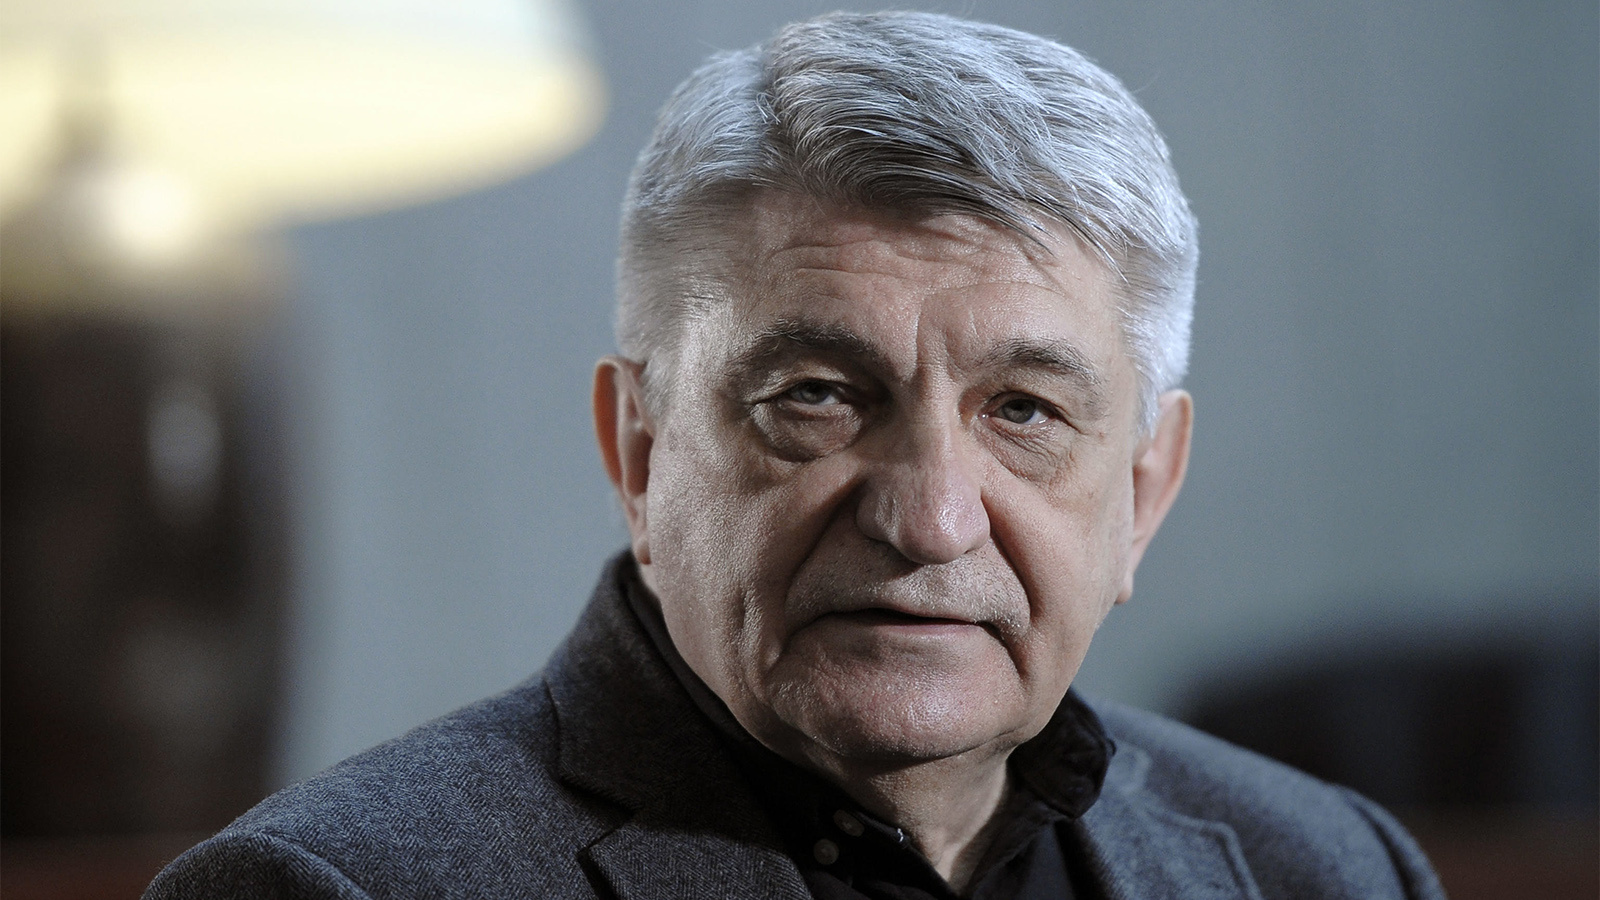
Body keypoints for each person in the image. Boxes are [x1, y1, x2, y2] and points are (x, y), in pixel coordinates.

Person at [147, 11, 1446, 899]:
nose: (932, 519)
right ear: (640, 451)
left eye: (1024, 413)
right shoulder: (334, 888)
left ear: (1145, 491)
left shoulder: (1328, 869)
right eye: (819, 397)